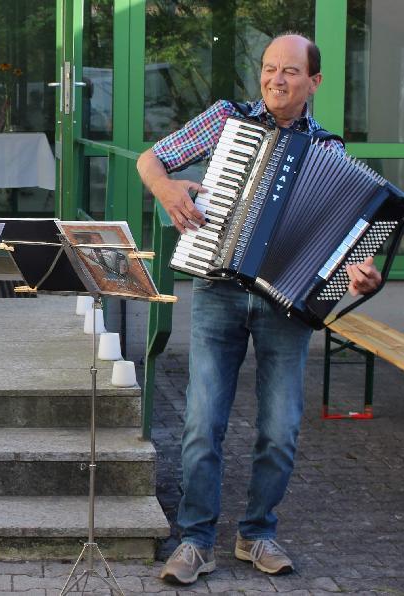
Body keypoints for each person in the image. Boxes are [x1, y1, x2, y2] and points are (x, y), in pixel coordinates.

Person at [137, 33, 382, 586]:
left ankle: (257, 533)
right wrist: (167, 190)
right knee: (203, 423)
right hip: (219, 290)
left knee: (280, 428)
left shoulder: (330, 152)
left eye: (290, 71)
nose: (276, 79)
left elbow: (340, 250)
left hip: (285, 305)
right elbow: (151, 160)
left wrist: (360, 275)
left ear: (313, 82)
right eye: (270, 68)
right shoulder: (227, 120)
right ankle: (195, 539)